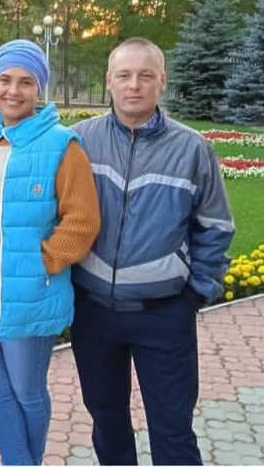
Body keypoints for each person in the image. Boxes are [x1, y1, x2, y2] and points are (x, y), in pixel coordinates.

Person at [70, 37, 235, 465]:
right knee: (107, 423)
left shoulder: (193, 148)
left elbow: (215, 226)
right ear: (108, 81)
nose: (134, 85)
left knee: (173, 431)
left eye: (146, 75)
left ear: (162, 81)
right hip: (94, 313)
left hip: (164, 314)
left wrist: (196, 293)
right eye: (124, 75)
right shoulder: (79, 141)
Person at [0, 39, 100, 465]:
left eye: (25, 82)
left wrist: (41, 263)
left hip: (27, 298)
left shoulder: (62, 144)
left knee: (26, 393)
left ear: (39, 88)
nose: (13, 90)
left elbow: (82, 221)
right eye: (4, 80)